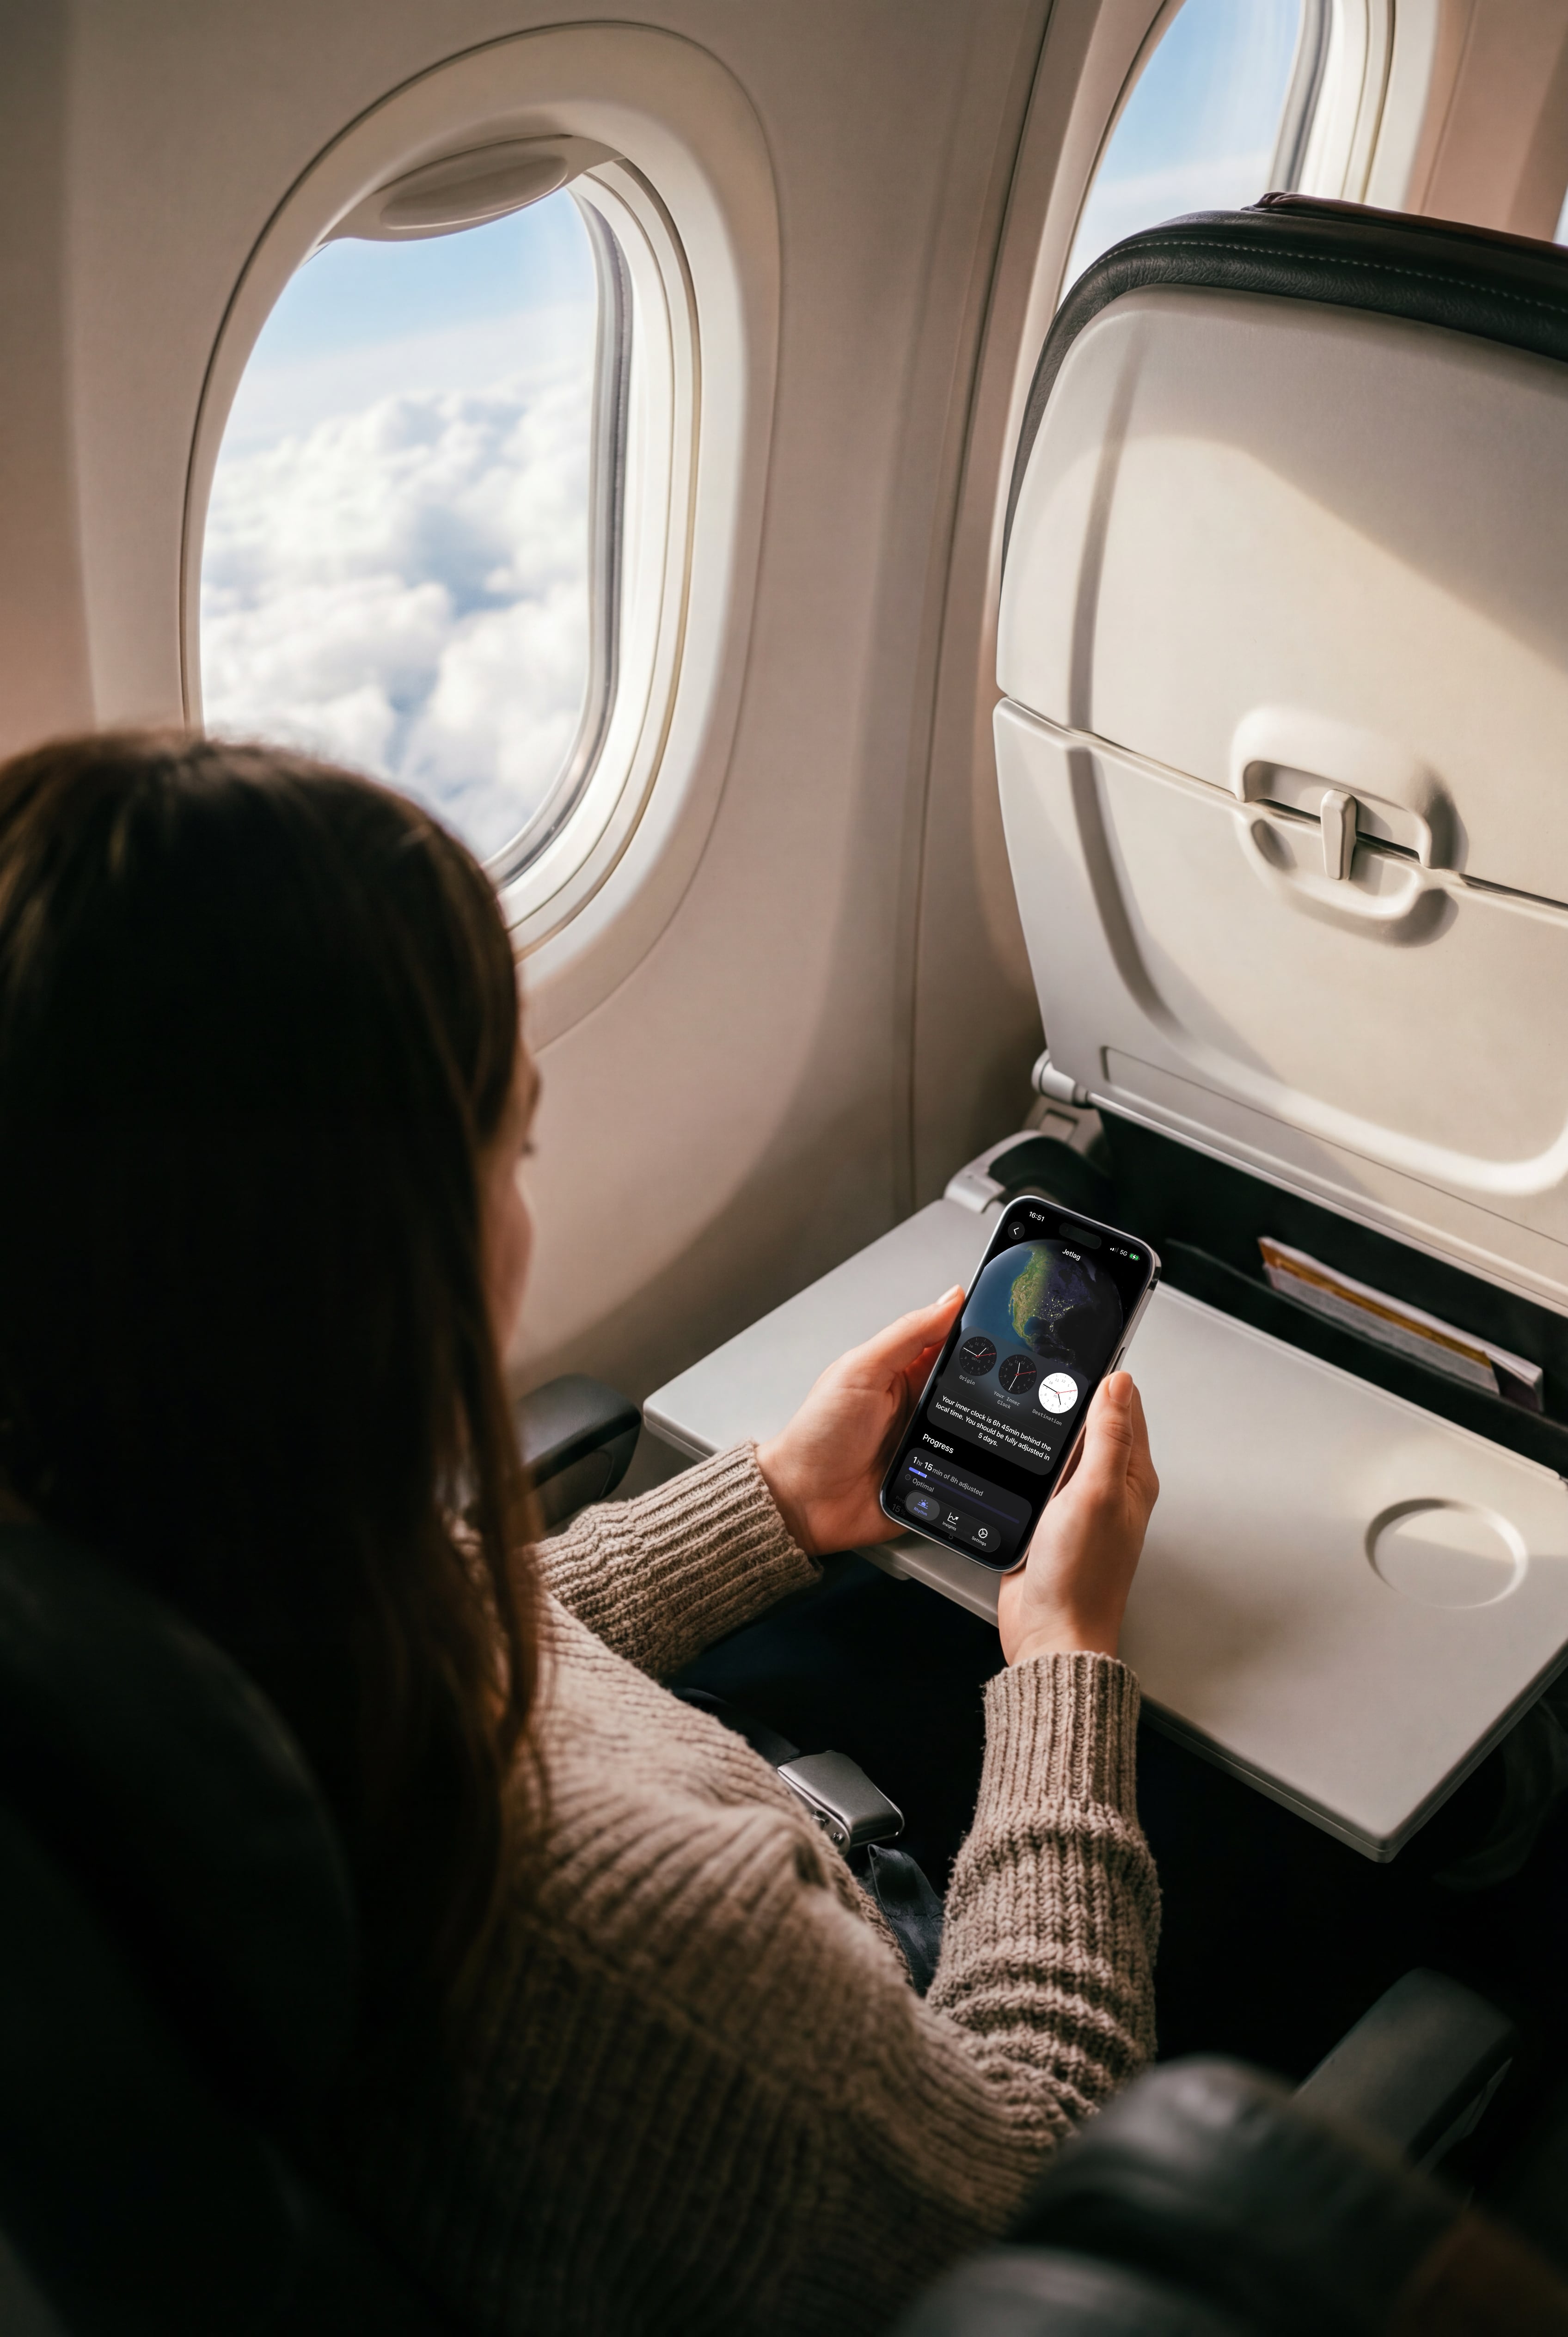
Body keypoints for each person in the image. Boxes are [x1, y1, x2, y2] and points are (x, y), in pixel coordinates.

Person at [0, 729, 1161, 2333]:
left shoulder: (115, 1541)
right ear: (374, 1259)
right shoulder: (644, 1969)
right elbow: (1036, 2193)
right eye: (511, 1144)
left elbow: (436, 1634)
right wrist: (1066, 1676)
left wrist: (765, 1502)